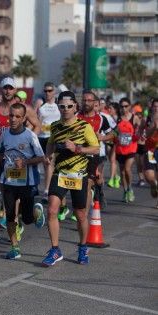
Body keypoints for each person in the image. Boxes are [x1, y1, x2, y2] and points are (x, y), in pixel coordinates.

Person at [42, 91, 99, 266]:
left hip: (78, 175)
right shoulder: (55, 126)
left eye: (69, 106)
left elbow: (95, 148)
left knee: (80, 214)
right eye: (62, 106)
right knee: (51, 210)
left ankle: (83, 247)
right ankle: (55, 249)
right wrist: (48, 154)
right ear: (58, 107)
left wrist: (78, 148)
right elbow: (51, 141)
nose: (65, 109)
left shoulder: (84, 126)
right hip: (60, 173)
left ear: (75, 107)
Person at [0, 77, 41, 223]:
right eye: (5, 88)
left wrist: (27, 139)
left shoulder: (24, 109)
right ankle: (11, 216)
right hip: (1, 153)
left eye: (11, 88)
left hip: (21, 156)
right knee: (5, 187)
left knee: (18, 190)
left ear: (15, 90)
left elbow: (37, 125)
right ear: (0, 90)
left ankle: (14, 217)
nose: (8, 91)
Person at [0, 103, 45, 259]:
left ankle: (36, 212)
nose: (13, 119)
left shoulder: (30, 135)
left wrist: (25, 162)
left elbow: (41, 157)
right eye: (11, 115)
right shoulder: (4, 134)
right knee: (10, 216)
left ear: (24, 118)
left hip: (26, 182)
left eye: (17, 116)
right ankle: (15, 247)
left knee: (27, 219)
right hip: (8, 181)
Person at [78, 91, 116, 211]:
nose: (86, 103)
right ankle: (83, 211)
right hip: (79, 154)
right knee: (84, 184)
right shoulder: (76, 117)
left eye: (89, 100)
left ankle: (99, 192)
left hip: (95, 155)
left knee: (94, 181)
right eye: (84, 100)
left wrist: (103, 137)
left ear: (95, 103)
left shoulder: (101, 119)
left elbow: (113, 134)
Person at [35, 82, 61, 204]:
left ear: (54, 92)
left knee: (49, 163)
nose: (47, 93)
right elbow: (35, 121)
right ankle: (43, 188)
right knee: (43, 164)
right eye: (45, 91)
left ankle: (46, 191)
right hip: (41, 137)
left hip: (53, 138)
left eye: (50, 90)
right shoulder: (40, 104)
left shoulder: (59, 105)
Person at [114, 98, 139, 203]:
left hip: (131, 148)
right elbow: (114, 132)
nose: (123, 108)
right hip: (120, 149)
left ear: (130, 106)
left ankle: (130, 189)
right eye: (121, 106)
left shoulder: (135, 118)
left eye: (126, 106)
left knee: (128, 169)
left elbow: (139, 130)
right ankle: (125, 191)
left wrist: (138, 135)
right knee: (123, 172)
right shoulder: (117, 118)